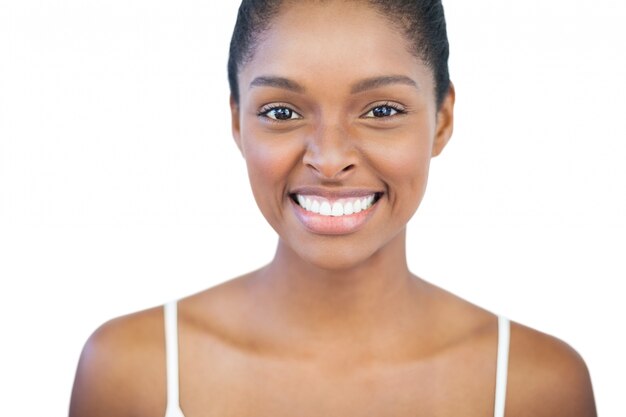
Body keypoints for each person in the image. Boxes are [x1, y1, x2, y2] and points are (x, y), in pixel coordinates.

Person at [69, 1, 597, 416]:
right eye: (281, 111)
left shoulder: (538, 387)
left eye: (382, 110)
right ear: (237, 122)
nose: (329, 159)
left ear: (441, 120)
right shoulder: (132, 372)